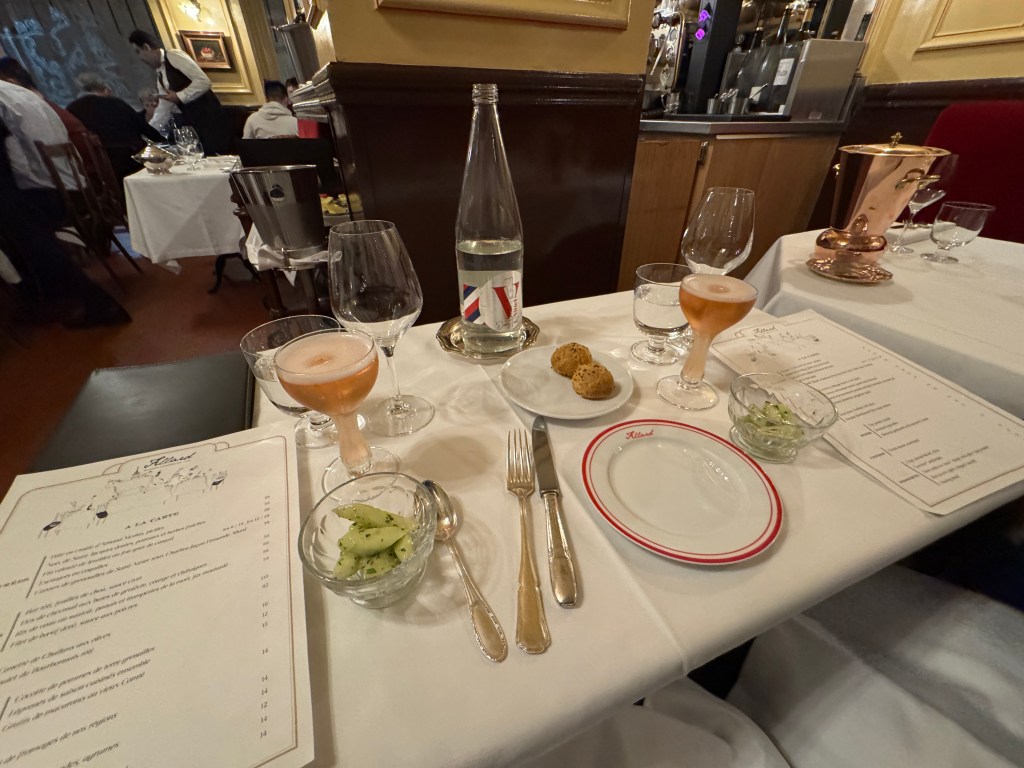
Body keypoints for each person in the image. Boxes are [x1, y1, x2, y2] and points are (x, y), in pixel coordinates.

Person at [0, 79, 129, 328]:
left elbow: (17, 163)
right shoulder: (21, 93)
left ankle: (47, 297)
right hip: (73, 189)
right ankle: (46, 295)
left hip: (50, 194)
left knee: (17, 228)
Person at [128, 29, 231, 155]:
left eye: (138, 52)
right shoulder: (160, 74)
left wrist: (179, 96)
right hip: (193, 123)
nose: (139, 58)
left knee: (217, 157)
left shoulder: (173, 55)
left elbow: (204, 81)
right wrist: (149, 132)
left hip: (210, 120)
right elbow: (164, 108)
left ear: (146, 47)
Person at [0, 57, 96, 177]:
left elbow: (22, 167)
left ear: (11, 82)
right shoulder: (45, 106)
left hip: (80, 176)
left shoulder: (32, 111)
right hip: (80, 177)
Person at [66, 71, 164, 182]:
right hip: (137, 162)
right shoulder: (117, 103)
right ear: (103, 88)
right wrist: (168, 145)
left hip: (105, 169)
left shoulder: (72, 109)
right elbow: (146, 130)